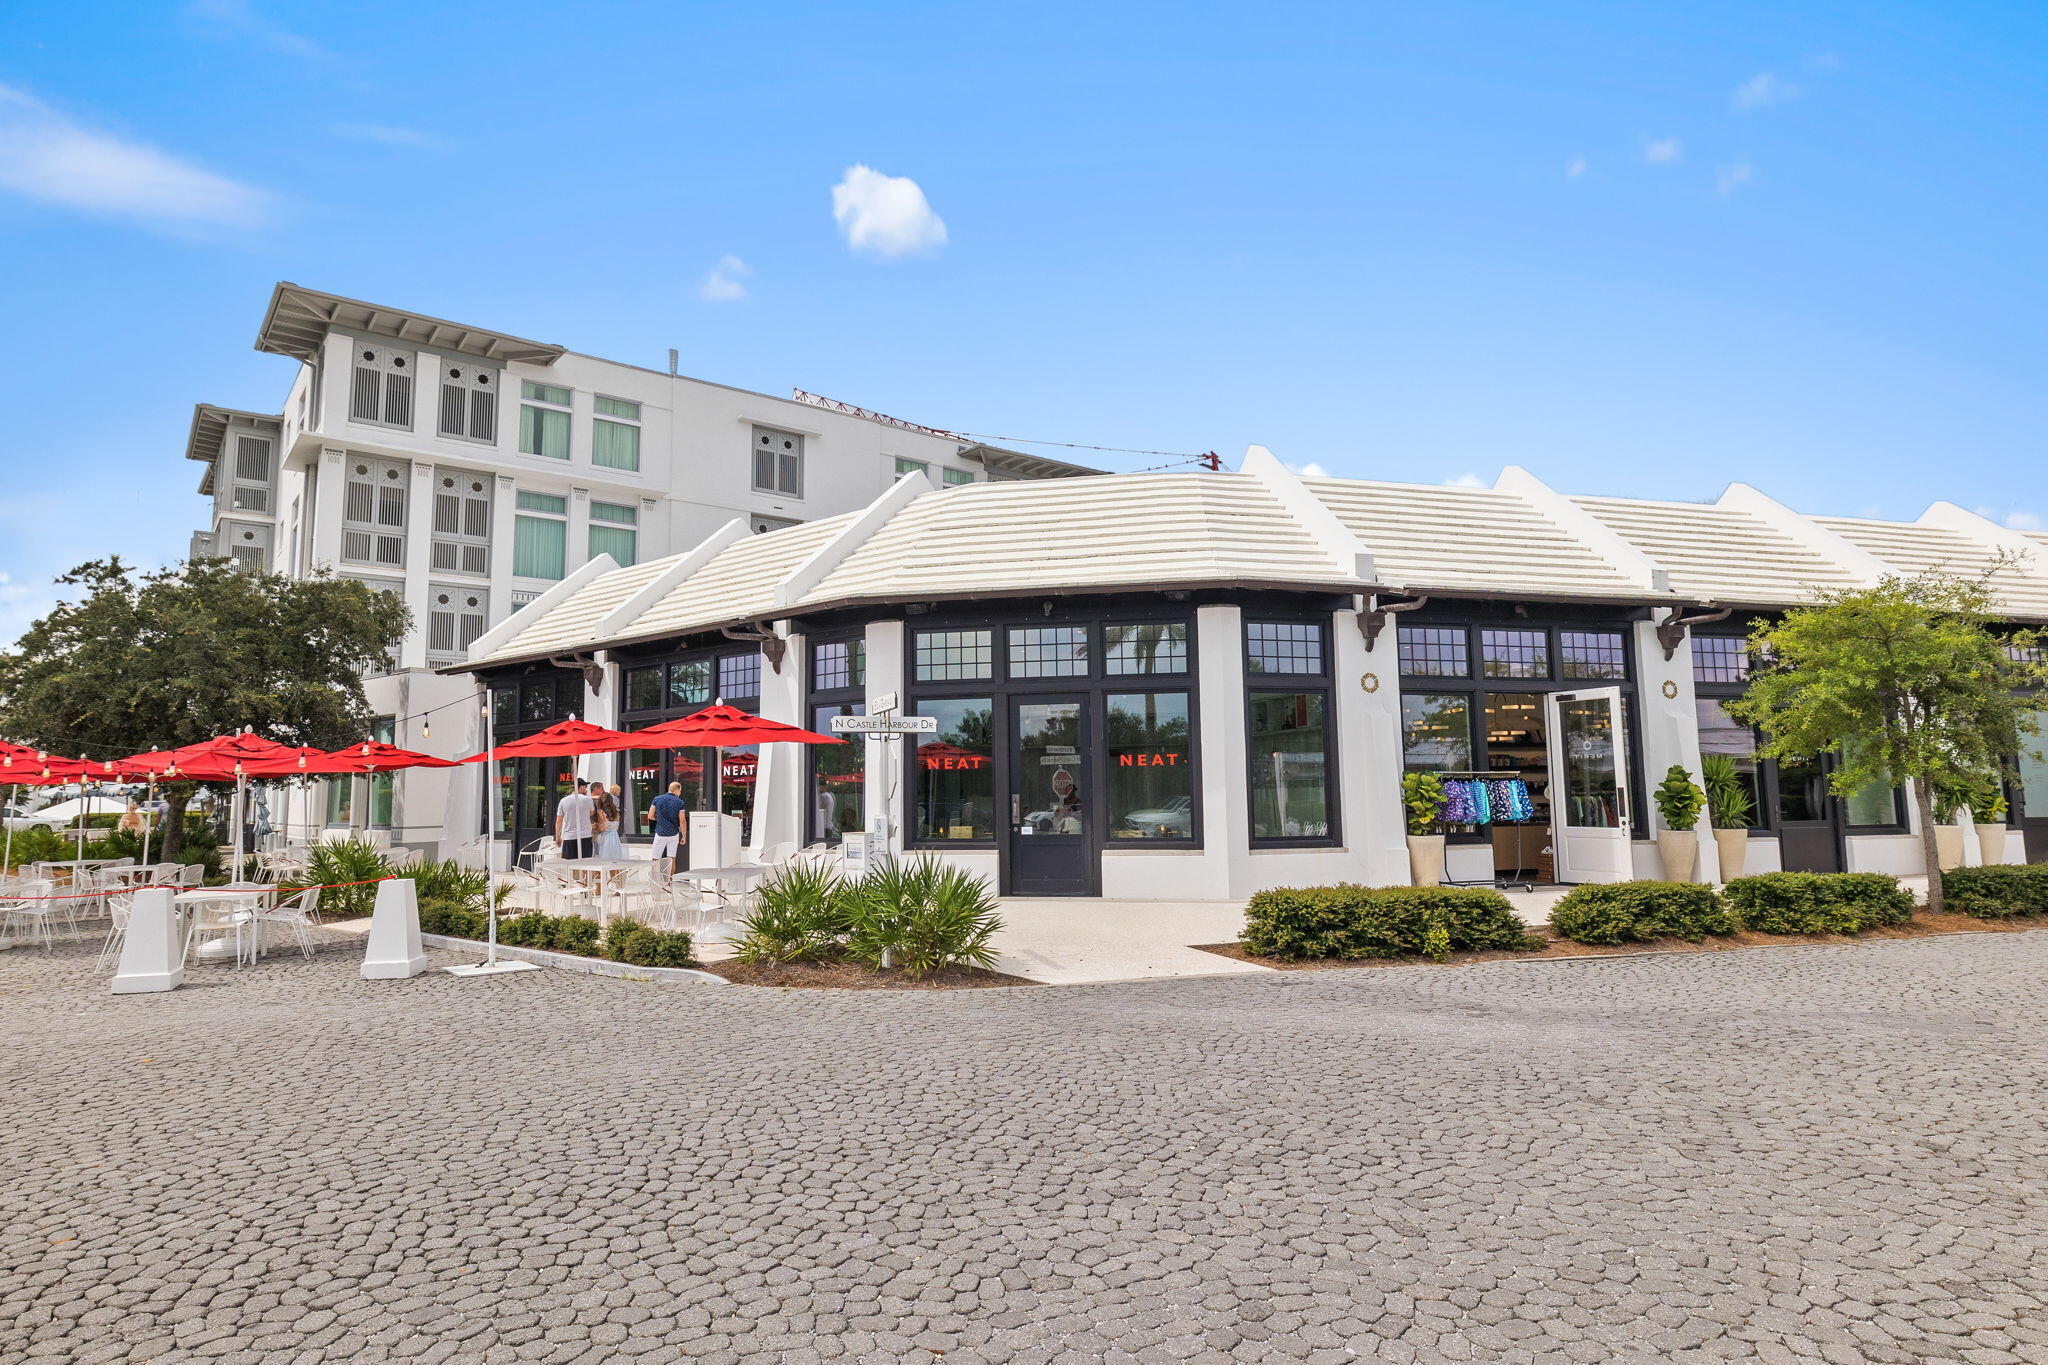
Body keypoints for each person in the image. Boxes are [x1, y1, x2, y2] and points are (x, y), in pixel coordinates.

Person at [647, 780, 688, 874]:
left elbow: (650, 816)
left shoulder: (657, 799)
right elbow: (682, 820)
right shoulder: (680, 802)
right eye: (680, 791)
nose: (680, 793)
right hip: (673, 834)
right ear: (677, 789)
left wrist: (659, 819)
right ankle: (669, 882)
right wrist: (684, 836)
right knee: (671, 858)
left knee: (655, 859)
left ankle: (655, 881)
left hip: (660, 833)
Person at [555, 778, 595, 859]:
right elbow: (592, 813)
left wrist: (558, 836)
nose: (586, 788)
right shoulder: (588, 800)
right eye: (585, 786)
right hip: (585, 836)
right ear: (580, 787)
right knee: (585, 863)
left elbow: (559, 821)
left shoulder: (563, 801)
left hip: (569, 836)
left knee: (569, 865)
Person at [592, 782, 624, 859]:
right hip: (615, 837)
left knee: (604, 860)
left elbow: (602, 828)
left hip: (605, 838)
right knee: (615, 859)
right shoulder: (617, 814)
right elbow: (617, 827)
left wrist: (595, 825)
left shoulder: (601, 813)